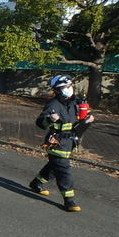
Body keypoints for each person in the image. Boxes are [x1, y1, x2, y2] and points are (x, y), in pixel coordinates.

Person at [29, 75, 94, 212]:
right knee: (64, 170)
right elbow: (40, 123)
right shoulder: (53, 104)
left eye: (70, 86)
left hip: (70, 141)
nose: (69, 89)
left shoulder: (75, 101)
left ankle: (36, 183)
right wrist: (50, 119)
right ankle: (69, 200)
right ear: (57, 90)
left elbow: (79, 120)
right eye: (65, 87)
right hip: (56, 142)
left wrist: (87, 120)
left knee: (54, 166)